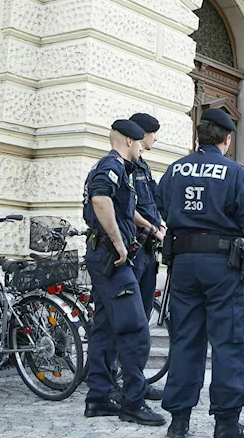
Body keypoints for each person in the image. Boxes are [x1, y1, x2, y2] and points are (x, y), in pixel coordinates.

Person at [158, 108, 244, 438]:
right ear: (227, 139)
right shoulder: (234, 172)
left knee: (185, 340)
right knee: (228, 342)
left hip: (184, 265)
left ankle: (179, 423)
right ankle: (226, 425)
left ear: (199, 136)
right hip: (222, 265)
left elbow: (163, 208)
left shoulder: (175, 170)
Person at [82, 119, 166, 427]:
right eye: (141, 141)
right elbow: (100, 199)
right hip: (111, 257)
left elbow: (121, 205)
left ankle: (99, 396)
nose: (144, 144)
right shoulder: (113, 165)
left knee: (104, 326)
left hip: (105, 256)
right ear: (131, 141)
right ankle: (133, 401)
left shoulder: (123, 170)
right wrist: (119, 243)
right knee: (134, 329)